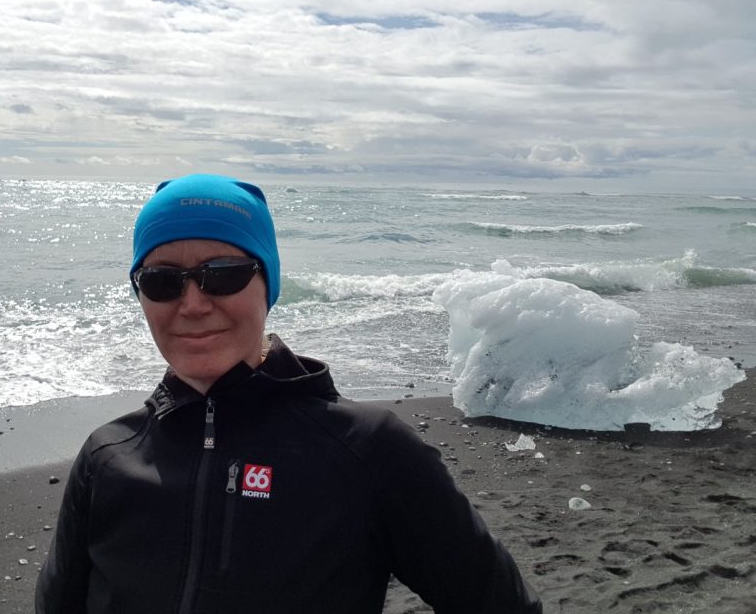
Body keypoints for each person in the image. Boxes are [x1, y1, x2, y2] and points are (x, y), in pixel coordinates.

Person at [36, 173, 542, 614]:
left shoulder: (367, 450)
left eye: (223, 274)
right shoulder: (108, 457)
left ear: (268, 284)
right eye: (162, 281)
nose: (192, 304)